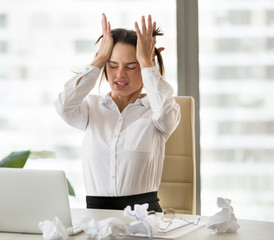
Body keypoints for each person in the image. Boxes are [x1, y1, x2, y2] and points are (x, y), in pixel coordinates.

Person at [54, 14, 180, 212]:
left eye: (131, 66)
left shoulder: (157, 113)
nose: (120, 74)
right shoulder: (91, 108)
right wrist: (99, 58)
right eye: (112, 65)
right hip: (97, 222)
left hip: (145, 223)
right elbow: (63, 106)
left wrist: (147, 62)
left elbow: (165, 114)